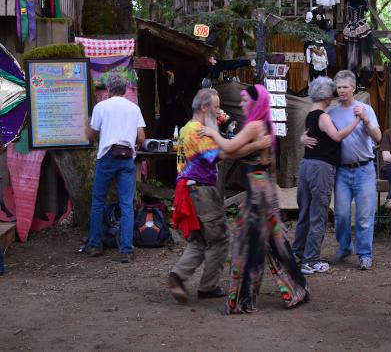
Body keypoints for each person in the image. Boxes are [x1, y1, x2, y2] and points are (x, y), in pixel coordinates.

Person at [199, 84, 308, 313]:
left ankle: (242, 299)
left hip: (258, 194)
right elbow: (237, 152)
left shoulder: (254, 126)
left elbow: (230, 147)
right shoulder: (264, 125)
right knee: (275, 242)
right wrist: (236, 149)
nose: (241, 104)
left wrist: (212, 133)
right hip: (263, 190)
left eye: (244, 100)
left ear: (256, 102)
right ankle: (296, 288)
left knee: (248, 245)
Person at [167, 88, 271, 303]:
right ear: (204, 107)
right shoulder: (199, 131)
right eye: (216, 107)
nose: (219, 111)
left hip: (190, 189)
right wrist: (256, 145)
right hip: (202, 191)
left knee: (199, 240)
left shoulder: (186, 128)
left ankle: (177, 276)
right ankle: (207, 286)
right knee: (220, 239)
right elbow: (226, 153)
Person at [303, 70, 381, 270]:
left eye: (345, 86)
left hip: (365, 168)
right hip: (342, 170)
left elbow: (378, 138)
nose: (342, 90)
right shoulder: (331, 113)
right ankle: (345, 248)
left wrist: (365, 120)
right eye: (339, 87)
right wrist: (303, 138)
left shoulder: (365, 109)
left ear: (353, 88)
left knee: (364, 216)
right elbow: (316, 133)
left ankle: (365, 254)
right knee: (341, 215)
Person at [293, 77, 360, 275]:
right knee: (318, 214)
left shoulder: (310, 114)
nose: (334, 95)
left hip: (306, 165)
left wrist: (302, 138)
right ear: (326, 95)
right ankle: (311, 260)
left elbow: (309, 136)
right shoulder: (323, 117)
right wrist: (357, 121)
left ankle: (297, 254)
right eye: (332, 92)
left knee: (305, 212)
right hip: (321, 168)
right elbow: (337, 136)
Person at [85, 73, 146, 263]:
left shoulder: (101, 107)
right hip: (126, 157)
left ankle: (94, 244)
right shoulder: (134, 108)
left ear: (109, 89)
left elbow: (91, 135)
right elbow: (142, 137)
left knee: (98, 201)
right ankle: (126, 250)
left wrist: (88, 127)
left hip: (106, 156)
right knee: (126, 204)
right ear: (125, 89)